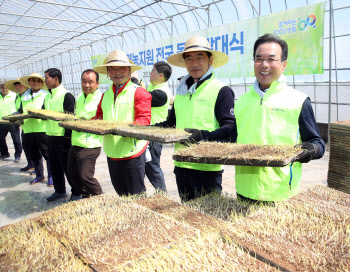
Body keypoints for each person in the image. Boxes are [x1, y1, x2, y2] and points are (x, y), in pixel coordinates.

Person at [234, 33, 325, 203]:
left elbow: (318, 143)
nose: (264, 65)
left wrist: (310, 149)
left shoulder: (298, 100)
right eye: (259, 59)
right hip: (243, 189)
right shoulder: (241, 101)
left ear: (283, 65)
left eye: (271, 59)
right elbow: (232, 139)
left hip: (280, 193)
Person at [158, 36, 236, 202]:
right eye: (189, 58)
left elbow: (230, 130)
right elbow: (171, 124)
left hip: (207, 168)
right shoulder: (181, 92)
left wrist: (202, 136)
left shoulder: (221, 90)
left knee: (208, 220)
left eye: (200, 57)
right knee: (187, 218)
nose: (194, 63)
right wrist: (144, 128)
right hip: (181, 165)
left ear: (210, 60)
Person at [93, 49, 152, 196]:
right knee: (121, 192)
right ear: (107, 72)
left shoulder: (139, 92)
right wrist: (81, 124)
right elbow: (98, 118)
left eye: (121, 68)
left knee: (136, 194)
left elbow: (144, 119)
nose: (117, 72)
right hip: (112, 151)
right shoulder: (106, 95)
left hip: (132, 152)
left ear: (130, 70)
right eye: (112, 69)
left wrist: (128, 128)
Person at [43, 68, 79, 201]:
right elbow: (42, 112)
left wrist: (67, 138)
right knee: (54, 166)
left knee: (68, 167)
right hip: (50, 136)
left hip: (62, 138)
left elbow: (70, 120)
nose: (45, 81)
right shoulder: (47, 95)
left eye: (47, 78)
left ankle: (76, 192)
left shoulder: (67, 95)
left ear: (56, 79)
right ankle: (59, 190)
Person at [67, 69, 103, 200]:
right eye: (84, 81)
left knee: (86, 176)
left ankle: (102, 200)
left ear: (97, 83)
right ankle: (86, 197)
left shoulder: (101, 98)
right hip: (76, 141)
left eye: (90, 82)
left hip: (90, 144)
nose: (86, 85)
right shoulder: (80, 96)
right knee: (72, 174)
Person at [19, 73, 52, 185]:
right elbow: (20, 111)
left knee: (47, 154)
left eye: (38, 81)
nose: (35, 82)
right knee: (34, 154)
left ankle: (51, 177)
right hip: (28, 129)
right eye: (33, 80)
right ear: (29, 82)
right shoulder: (23, 97)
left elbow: (48, 110)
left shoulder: (46, 95)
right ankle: (39, 175)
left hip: (42, 128)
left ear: (42, 83)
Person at [145, 61, 172, 193]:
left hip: (154, 135)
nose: (150, 74)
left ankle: (162, 194)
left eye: (153, 71)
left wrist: (133, 86)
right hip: (149, 133)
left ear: (160, 75)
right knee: (147, 166)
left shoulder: (161, 93)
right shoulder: (153, 88)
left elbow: (141, 98)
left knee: (153, 166)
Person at [5, 78, 34, 171]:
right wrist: (14, 115)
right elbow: (19, 110)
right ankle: (30, 164)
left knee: (35, 149)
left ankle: (38, 169)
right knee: (26, 146)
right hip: (24, 125)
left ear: (25, 86)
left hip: (33, 126)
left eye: (20, 85)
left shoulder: (30, 95)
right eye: (16, 86)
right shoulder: (18, 97)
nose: (18, 87)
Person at [0, 81, 22, 162]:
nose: (4, 89)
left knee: (16, 139)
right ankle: (4, 153)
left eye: (5, 87)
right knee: (1, 138)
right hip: (1, 121)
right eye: (2, 87)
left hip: (13, 121)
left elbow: (19, 107)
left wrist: (18, 118)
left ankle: (18, 155)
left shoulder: (14, 95)